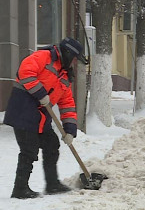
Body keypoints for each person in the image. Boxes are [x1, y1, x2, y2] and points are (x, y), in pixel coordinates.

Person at [4, 37, 88, 199]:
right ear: (68, 54)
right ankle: (20, 188)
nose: (74, 64)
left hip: (41, 119)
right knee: (29, 150)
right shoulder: (44, 56)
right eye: (74, 60)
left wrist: (70, 130)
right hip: (24, 112)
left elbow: (67, 104)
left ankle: (52, 184)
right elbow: (25, 72)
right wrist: (40, 93)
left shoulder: (64, 75)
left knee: (51, 145)